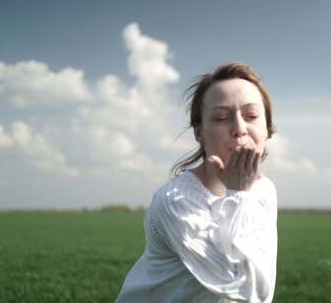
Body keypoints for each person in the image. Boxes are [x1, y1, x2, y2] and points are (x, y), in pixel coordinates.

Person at [116, 62, 278, 303]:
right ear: (199, 133)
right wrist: (239, 194)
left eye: (251, 116)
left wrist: (241, 192)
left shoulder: (264, 189)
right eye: (222, 117)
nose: (239, 128)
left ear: (267, 128)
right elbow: (244, 289)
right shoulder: (177, 200)